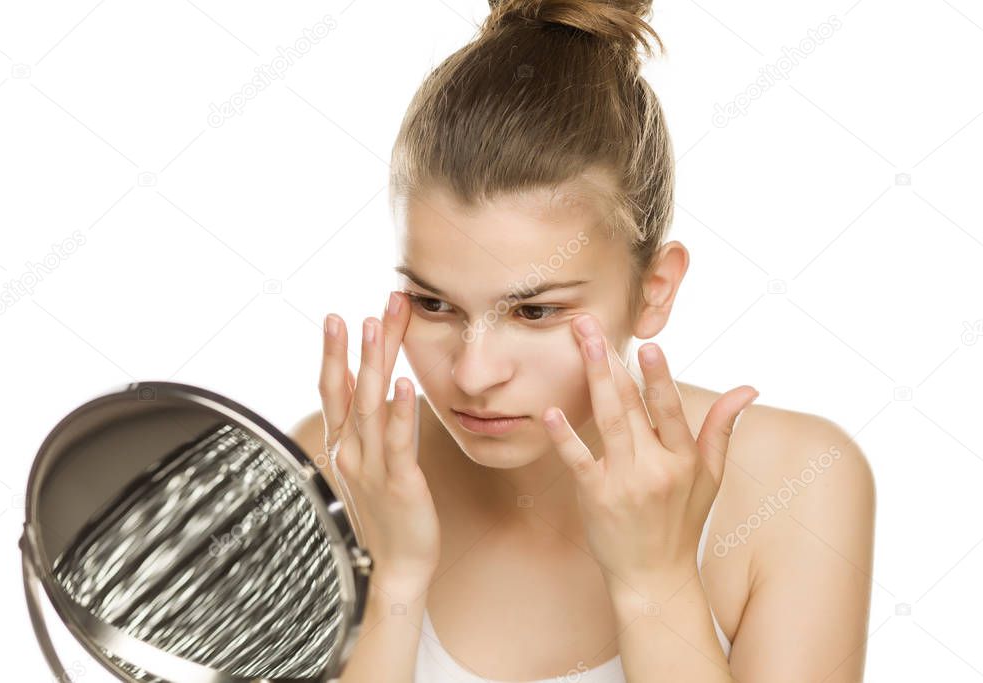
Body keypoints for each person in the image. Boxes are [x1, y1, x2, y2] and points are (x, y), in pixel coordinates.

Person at [291, 1, 876, 680]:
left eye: (535, 312)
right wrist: (390, 581)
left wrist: (656, 582)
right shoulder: (338, 467)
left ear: (654, 289)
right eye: (432, 302)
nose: (474, 373)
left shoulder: (798, 486)